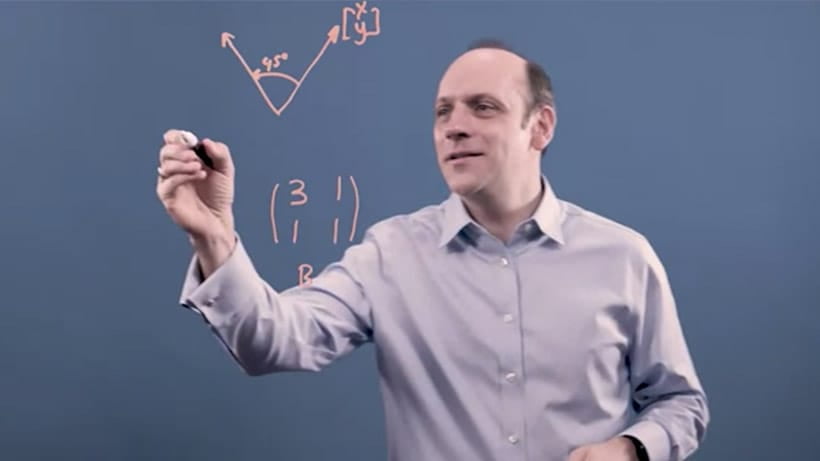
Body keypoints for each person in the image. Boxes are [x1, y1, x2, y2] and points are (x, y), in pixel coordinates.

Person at [155, 39, 709, 461]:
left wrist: (631, 449)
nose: (454, 127)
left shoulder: (622, 256)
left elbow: (681, 404)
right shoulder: (390, 254)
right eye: (444, 111)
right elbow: (271, 342)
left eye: (483, 107)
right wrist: (214, 235)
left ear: (540, 127)